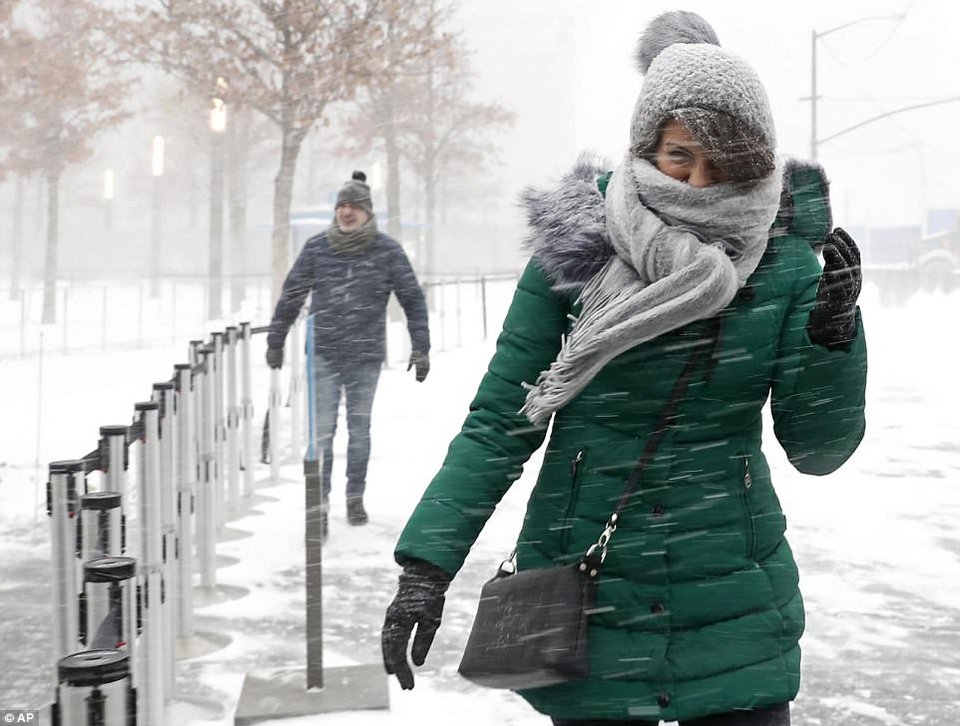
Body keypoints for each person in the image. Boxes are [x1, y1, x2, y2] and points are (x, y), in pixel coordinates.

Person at [381, 11, 866, 726]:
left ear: (755, 163)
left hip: (731, 595)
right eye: (678, 156)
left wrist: (835, 337)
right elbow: (500, 423)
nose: (697, 185)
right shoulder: (576, 250)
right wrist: (426, 568)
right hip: (588, 593)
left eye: (721, 165)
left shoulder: (785, 262)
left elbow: (818, 449)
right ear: (645, 145)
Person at [265, 170, 430, 531]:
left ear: (368, 212)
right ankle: (318, 507)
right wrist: (275, 340)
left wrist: (421, 347)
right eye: (342, 206)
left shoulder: (387, 251)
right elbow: (291, 295)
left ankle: (354, 500)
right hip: (324, 352)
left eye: (354, 206)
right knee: (321, 435)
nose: (346, 212)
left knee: (359, 431)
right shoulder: (317, 248)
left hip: (365, 357)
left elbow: (412, 300)